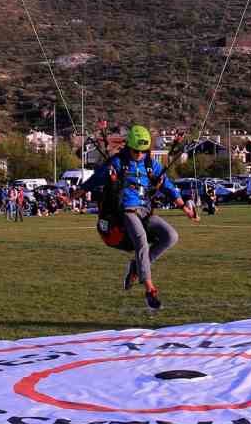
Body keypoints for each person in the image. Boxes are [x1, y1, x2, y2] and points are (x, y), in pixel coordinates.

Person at [79, 125, 197, 310]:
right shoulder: (117, 163)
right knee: (141, 241)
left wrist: (186, 209)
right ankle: (149, 289)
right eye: (136, 151)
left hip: (145, 211)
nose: (140, 154)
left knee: (171, 236)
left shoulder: (151, 165)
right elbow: (92, 182)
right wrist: (69, 197)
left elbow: (169, 188)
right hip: (126, 211)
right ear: (129, 147)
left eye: (143, 151)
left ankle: (136, 267)